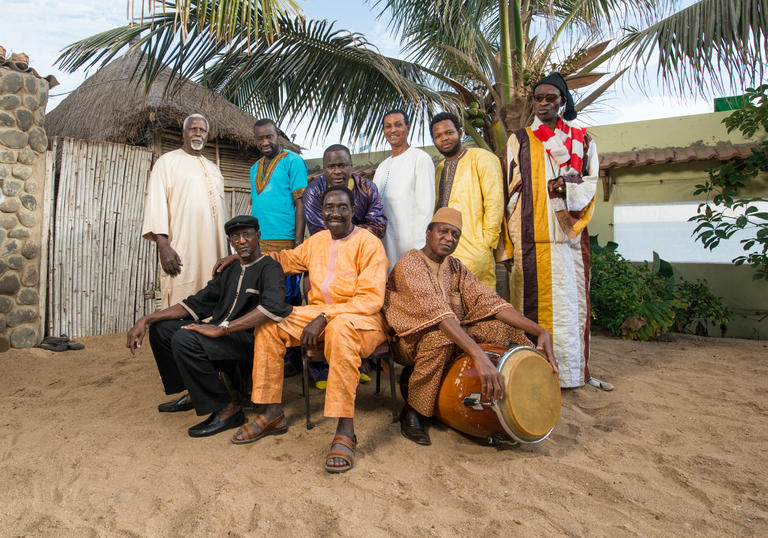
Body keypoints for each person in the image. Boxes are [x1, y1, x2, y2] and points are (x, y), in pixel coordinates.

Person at [231, 186, 388, 474]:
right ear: (322, 211)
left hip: (361, 319)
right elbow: (286, 260)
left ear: (353, 211)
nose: (335, 213)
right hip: (318, 315)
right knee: (269, 324)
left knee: (340, 329)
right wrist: (244, 258)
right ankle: (271, 413)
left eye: (342, 207)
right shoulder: (316, 241)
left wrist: (327, 316)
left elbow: (371, 300)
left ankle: (345, 430)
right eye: (329, 207)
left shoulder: (369, 244)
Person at [383, 207, 556, 445]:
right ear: (428, 233)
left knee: (502, 329)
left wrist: (538, 331)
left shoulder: (455, 267)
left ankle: (525, 390)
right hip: (410, 342)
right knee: (439, 338)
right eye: (443, 231)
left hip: (456, 334)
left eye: (455, 235)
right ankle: (414, 410)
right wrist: (476, 352)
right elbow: (439, 315)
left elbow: (491, 302)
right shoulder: (410, 262)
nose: (449, 238)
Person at [126, 216, 293, 438]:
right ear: (230, 241)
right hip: (222, 338)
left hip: (249, 341)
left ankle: (227, 410)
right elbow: (196, 303)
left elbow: (273, 307)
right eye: (236, 236)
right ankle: (195, 392)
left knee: (185, 339)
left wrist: (223, 328)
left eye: (247, 235)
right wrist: (147, 319)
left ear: (258, 237)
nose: (242, 240)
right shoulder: (229, 271)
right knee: (163, 329)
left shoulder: (270, 268)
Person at [502, 72, 609, 390]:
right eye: (538, 98)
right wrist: (509, 240)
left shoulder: (583, 139)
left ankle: (573, 374)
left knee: (570, 310)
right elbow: (510, 190)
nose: (544, 103)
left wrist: (563, 189)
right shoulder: (518, 139)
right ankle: (529, 377)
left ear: (563, 101)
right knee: (527, 307)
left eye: (551, 97)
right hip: (529, 239)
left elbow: (590, 185)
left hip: (568, 241)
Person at [141, 114, 229, 308]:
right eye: (193, 129)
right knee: (182, 293)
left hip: (215, 248)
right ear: (184, 133)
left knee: (214, 292)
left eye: (202, 130)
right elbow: (156, 204)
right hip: (181, 247)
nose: (198, 133)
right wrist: (163, 246)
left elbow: (222, 213)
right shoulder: (166, 162)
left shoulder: (214, 169)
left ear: (207, 135)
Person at [250, 118, 308, 374]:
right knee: (264, 300)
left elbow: (300, 204)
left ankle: (293, 360)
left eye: (269, 137)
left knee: (289, 301)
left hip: (286, 244)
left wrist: (297, 243)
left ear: (277, 136)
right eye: (260, 138)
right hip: (261, 246)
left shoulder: (293, 161)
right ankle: (273, 354)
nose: (265, 142)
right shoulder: (254, 168)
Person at [431, 112, 504, 289]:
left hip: (475, 251)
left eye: (449, 133)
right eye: (438, 136)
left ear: (460, 132)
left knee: (480, 304)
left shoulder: (482, 158)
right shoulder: (439, 168)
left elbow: (495, 201)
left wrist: (486, 242)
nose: (444, 139)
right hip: (444, 251)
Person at [373, 109, 436, 272]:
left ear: (407, 127)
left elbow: (426, 208)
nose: (392, 130)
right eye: (388, 126)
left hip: (411, 247)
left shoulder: (420, 159)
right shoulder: (382, 166)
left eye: (398, 125)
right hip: (386, 246)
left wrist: (419, 250)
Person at [304, 144, 387, 239]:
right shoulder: (313, 192)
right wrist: (356, 232)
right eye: (331, 167)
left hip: (364, 248)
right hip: (329, 251)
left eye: (342, 165)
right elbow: (320, 234)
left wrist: (341, 231)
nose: (337, 171)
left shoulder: (367, 187)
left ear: (351, 166)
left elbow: (378, 227)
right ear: (324, 169)